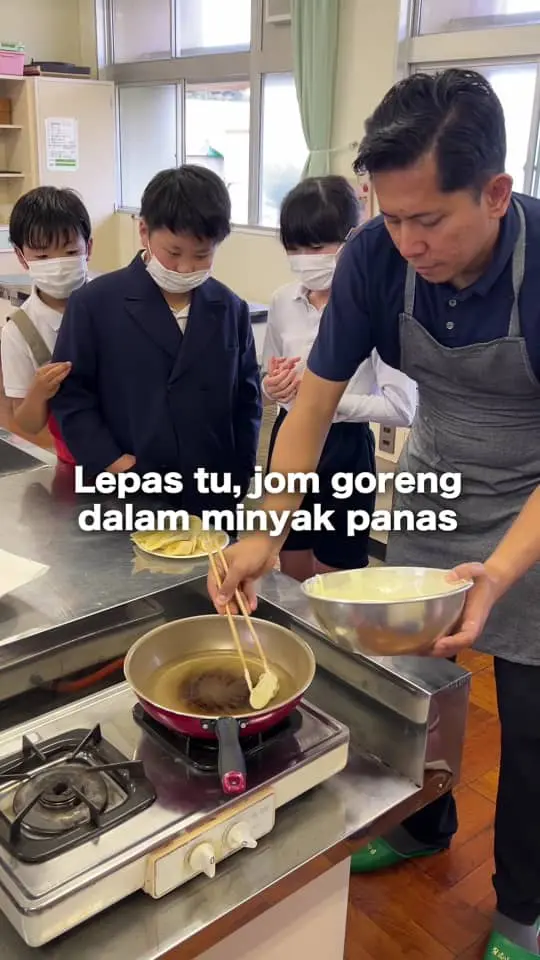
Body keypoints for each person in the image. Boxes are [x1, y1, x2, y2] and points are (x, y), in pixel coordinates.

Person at [208, 69, 540, 960]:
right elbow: (309, 408)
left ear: (496, 193)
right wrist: (261, 530)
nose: (407, 242)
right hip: (440, 476)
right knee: (406, 688)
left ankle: (522, 911)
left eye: (428, 219)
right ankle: (426, 823)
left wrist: (502, 573)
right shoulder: (372, 258)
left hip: (535, 502)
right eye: (389, 218)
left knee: (532, 714)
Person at [51, 165, 262, 515]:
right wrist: (114, 463)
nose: (184, 268)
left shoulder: (230, 308)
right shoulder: (95, 304)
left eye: (202, 255)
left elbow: (247, 398)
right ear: (144, 231)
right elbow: (72, 398)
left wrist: (238, 476)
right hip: (127, 490)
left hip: (210, 492)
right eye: (174, 252)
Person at [262, 175, 417, 580]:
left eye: (316, 247)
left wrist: (324, 399)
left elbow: (403, 408)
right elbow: (271, 371)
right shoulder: (283, 300)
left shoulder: (377, 307)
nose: (304, 259)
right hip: (288, 437)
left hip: (345, 449)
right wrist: (274, 387)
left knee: (338, 573)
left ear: (353, 239)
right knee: (290, 557)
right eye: (294, 248)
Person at [1, 186, 93, 463]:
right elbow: (28, 424)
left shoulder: (114, 304)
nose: (58, 264)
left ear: (88, 247)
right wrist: (38, 393)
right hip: (75, 458)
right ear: (21, 256)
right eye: (42, 257)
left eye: (69, 251)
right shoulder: (19, 331)